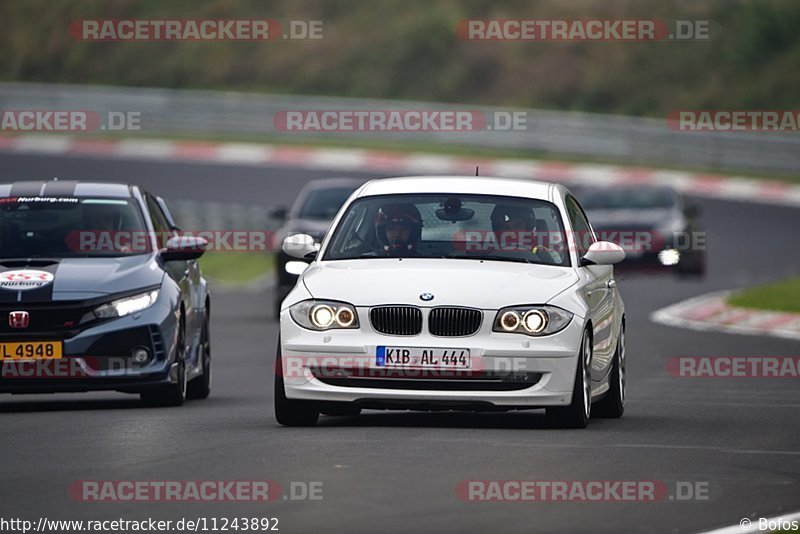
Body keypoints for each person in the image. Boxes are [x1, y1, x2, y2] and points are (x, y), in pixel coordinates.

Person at [490, 204, 561, 264]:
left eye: (517, 226)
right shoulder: (485, 254)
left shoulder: (548, 255)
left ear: (527, 229)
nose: (511, 232)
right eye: (506, 227)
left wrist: (545, 259)